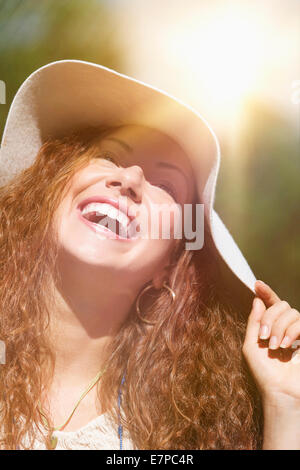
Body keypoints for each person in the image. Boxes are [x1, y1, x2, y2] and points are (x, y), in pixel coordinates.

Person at [0, 61, 299, 450]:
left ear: (170, 266)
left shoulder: (181, 437)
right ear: (46, 194)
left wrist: (286, 406)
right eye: (109, 156)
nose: (130, 180)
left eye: (166, 185)